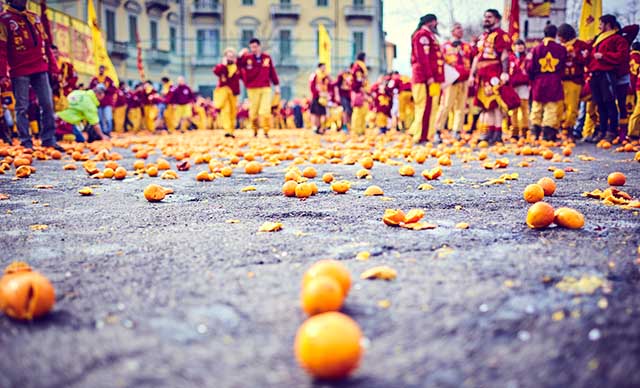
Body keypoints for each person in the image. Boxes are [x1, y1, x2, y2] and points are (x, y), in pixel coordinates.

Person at [0, 0, 64, 151]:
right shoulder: (4, 19)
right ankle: (26, 141)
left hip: (40, 67)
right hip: (19, 70)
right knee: (22, 107)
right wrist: (2, 74)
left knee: (47, 104)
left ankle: (48, 139)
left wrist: (53, 67)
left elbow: (46, 44)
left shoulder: (34, 17)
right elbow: (1, 50)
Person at [469, 9, 512, 144]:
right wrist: (471, 74)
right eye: (485, 16)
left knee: (495, 104)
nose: (486, 19)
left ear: (497, 19)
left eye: (490, 17)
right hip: (481, 76)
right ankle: (488, 132)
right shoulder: (483, 37)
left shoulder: (501, 35)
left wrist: (504, 72)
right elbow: (477, 56)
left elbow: (504, 55)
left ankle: (497, 133)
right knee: (485, 105)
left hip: (494, 74)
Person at [587, 14, 629, 142]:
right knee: (599, 104)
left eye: (601, 24)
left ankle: (612, 131)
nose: (599, 26)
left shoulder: (617, 39)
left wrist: (604, 56)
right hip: (595, 74)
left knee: (609, 102)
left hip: (607, 74)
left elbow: (622, 55)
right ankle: (602, 130)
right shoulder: (598, 38)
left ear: (608, 24)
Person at [526, 24, 567, 141]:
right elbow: (563, 67)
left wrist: (533, 78)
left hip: (539, 80)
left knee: (537, 106)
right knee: (551, 107)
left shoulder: (536, 49)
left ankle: (535, 132)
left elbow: (530, 67)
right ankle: (548, 134)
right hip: (554, 80)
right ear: (555, 35)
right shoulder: (561, 49)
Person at [409, 14, 445, 144]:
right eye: (435, 23)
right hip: (424, 78)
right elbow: (422, 58)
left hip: (434, 79)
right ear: (431, 22)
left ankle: (427, 134)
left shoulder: (430, 36)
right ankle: (419, 135)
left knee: (433, 106)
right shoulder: (422, 35)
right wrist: (429, 76)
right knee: (423, 107)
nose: (436, 26)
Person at [434, 22, 473, 139]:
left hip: (464, 80)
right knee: (446, 105)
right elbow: (440, 62)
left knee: (461, 107)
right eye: (457, 28)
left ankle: (457, 131)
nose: (460, 30)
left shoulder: (467, 46)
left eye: (461, 28)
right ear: (452, 31)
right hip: (451, 80)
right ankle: (438, 129)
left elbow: (472, 60)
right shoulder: (445, 46)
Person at [238, 38, 280, 137]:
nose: (254, 49)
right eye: (252, 47)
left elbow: (272, 72)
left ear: (259, 47)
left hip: (265, 87)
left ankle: (266, 131)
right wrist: (240, 56)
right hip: (252, 88)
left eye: (255, 47)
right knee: (253, 112)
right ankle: (255, 130)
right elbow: (238, 66)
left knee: (265, 110)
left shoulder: (267, 57)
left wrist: (276, 85)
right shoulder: (247, 58)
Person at [556, 23, 590, 140]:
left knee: (572, 107)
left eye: (560, 36)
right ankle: (560, 128)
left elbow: (587, 60)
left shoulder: (581, 45)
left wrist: (575, 56)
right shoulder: (559, 47)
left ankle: (568, 129)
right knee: (560, 106)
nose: (559, 39)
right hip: (560, 81)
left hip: (574, 80)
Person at [213, 48, 241, 138]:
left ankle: (231, 130)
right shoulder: (222, 67)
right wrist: (223, 64)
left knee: (233, 111)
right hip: (224, 92)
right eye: (228, 56)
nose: (230, 58)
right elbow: (216, 71)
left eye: (232, 56)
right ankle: (227, 130)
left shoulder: (237, 67)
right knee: (226, 111)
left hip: (233, 92)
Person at [507, 40, 531, 140]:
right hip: (513, 86)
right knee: (514, 109)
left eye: (521, 45)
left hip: (524, 85)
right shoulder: (510, 58)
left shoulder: (527, 58)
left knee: (524, 108)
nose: (519, 47)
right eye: (517, 45)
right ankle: (514, 130)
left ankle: (524, 129)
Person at [89, 65, 116, 137]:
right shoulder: (94, 79)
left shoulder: (108, 80)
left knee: (108, 118)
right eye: (100, 69)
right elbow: (90, 89)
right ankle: (101, 133)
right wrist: (96, 89)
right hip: (98, 103)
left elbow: (114, 89)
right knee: (99, 118)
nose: (101, 70)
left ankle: (108, 132)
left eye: (102, 69)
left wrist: (105, 90)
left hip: (107, 102)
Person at [350, 53, 369, 135]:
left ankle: (360, 130)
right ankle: (357, 130)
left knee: (362, 111)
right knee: (358, 112)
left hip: (360, 91)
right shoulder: (358, 67)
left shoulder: (359, 67)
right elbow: (358, 80)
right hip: (358, 92)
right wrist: (360, 88)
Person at [309, 63, 330, 134]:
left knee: (322, 113)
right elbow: (311, 86)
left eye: (325, 67)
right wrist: (317, 93)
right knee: (316, 113)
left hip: (323, 97)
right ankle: (316, 127)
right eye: (323, 67)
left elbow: (330, 84)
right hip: (316, 96)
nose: (324, 69)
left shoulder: (325, 76)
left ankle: (321, 127)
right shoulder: (314, 75)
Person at [334, 67, 352, 132]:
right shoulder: (341, 76)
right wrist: (337, 95)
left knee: (350, 111)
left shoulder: (351, 75)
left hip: (349, 96)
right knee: (345, 110)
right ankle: (344, 126)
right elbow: (336, 85)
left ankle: (349, 125)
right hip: (343, 95)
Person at [627, 42, 640, 139]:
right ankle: (632, 132)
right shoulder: (637, 58)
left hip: (627, 85)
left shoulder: (627, 57)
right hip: (634, 86)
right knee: (635, 109)